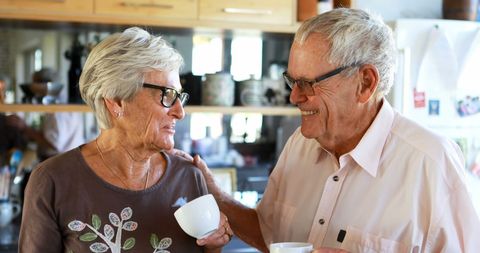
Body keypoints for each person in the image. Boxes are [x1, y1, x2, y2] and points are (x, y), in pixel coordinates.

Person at [189, 8, 480, 252]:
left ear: (365, 83)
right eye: (293, 81)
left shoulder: (431, 162)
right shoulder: (299, 145)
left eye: (309, 83)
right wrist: (214, 193)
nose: (294, 97)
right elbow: (269, 234)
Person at [19, 27, 233, 252]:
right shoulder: (53, 180)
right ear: (116, 101)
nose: (180, 112)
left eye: (179, 96)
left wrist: (213, 247)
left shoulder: (188, 176)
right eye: (167, 95)